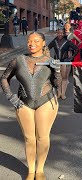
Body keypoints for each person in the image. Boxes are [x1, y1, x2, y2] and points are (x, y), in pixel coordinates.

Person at [0, 32, 61, 180]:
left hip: (46, 101)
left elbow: (57, 86)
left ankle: (40, 170)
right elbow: (4, 78)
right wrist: (11, 96)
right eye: (29, 41)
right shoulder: (18, 60)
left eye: (36, 40)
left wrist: (57, 70)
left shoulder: (49, 60)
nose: (32, 43)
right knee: (29, 138)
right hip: (24, 103)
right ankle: (31, 171)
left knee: (43, 137)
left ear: (43, 43)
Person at [48, 28, 79, 100]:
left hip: (65, 62)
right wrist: (49, 58)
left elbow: (77, 49)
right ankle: (59, 93)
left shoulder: (67, 41)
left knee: (64, 78)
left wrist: (71, 58)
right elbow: (47, 48)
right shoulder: (54, 41)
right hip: (57, 62)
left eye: (61, 33)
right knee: (58, 78)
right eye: (58, 33)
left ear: (64, 33)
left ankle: (63, 93)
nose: (60, 34)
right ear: (57, 33)